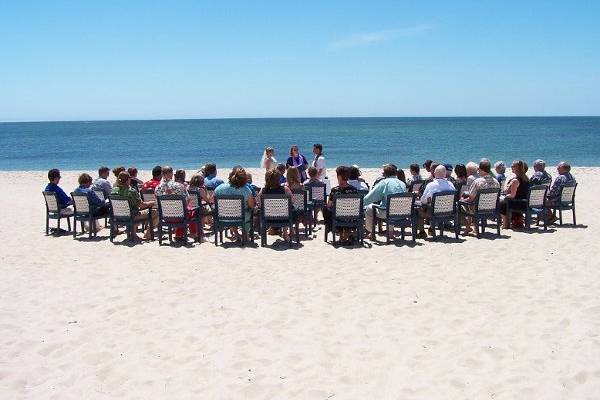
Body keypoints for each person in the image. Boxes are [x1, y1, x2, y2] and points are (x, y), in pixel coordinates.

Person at [363, 164, 406, 240]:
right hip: (402, 213)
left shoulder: (384, 183)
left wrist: (362, 203)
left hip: (388, 213)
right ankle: (390, 233)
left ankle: (371, 232)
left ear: (385, 174)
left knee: (369, 208)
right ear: (395, 173)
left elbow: (371, 197)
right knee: (392, 206)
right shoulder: (402, 183)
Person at [111, 171, 157, 241]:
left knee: (135, 212)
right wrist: (152, 203)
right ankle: (148, 235)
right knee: (156, 212)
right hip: (131, 216)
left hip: (117, 216)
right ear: (128, 179)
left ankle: (133, 233)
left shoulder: (113, 190)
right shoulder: (131, 191)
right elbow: (142, 205)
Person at [214, 167, 256, 241]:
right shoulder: (246, 190)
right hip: (241, 217)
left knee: (230, 212)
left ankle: (237, 234)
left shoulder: (219, 188)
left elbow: (212, 200)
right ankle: (245, 234)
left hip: (223, 216)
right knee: (248, 212)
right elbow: (251, 205)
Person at [460, 159, 500, 234]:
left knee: (460, 204)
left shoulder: (477, 182)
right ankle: (475, 227)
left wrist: (462, 200)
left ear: (480, 169)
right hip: (492, 207)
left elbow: (471, 198)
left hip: (478, 209)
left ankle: (469, 227)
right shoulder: (496, 182)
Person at [416, 165, 456, 238]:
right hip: (449, 212)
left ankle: (422, 232)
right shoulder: (450, 184)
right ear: (445, 174)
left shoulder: (431, 185)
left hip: (434, 213)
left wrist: (425, 202)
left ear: (434, 173)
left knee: (418, 209)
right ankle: (431, 229)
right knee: (429, 205)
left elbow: (423, 200)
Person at [323, 166, 358, 242]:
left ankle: (339, 232)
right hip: (351, 218)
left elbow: (329, 205)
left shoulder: (335, 190)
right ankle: (347, 233)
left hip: (338, 218)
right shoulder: (354, 190)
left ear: (339, 177)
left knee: (325, 209)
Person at [257, 169, 293, 240]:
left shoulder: (263, 190)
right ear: (278, 178)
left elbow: (259, 204)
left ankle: (272, 230)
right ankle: (285, 233)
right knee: (288, 210)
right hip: (284, 218)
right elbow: (292, 202)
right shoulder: (285, 189)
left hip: (268, 219)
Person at [499, 160, 529, 229]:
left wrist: (504, 196)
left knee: (501, 202)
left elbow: (512, 195)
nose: (511, 167)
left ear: (517, 168)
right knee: (504, 200)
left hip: (519, 203)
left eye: (513, 166)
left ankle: (506, 224)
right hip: (525, 203)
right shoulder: (526, 178)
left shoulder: (516, 180)